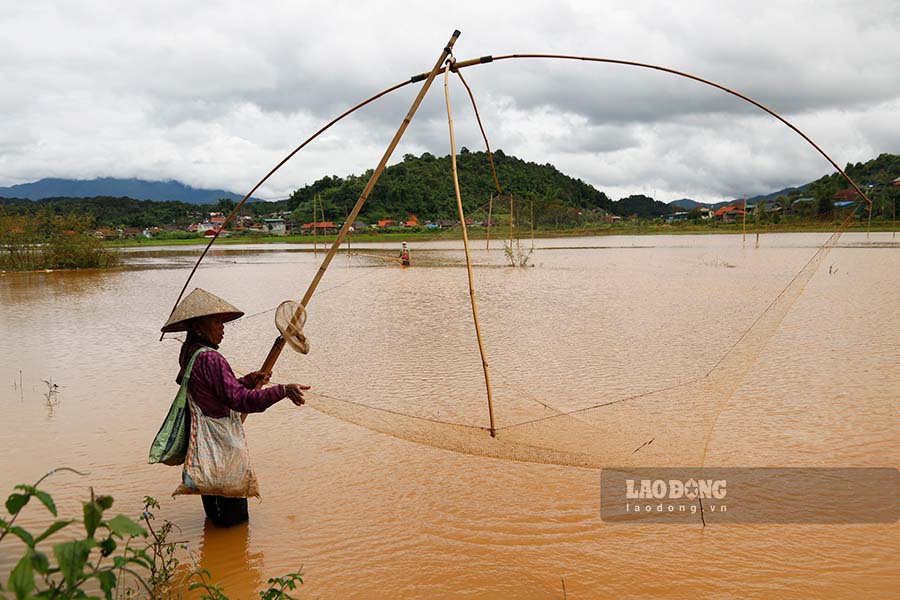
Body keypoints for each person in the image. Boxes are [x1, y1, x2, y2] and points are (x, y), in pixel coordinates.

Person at [161, 288, 309, 527]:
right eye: (217, 322)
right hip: (220, 445)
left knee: (215, 510)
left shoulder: (189, 352)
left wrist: (247, 381)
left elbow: (215, 390)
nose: (222, 328)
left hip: (204, 445)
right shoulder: (211, 359)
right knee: (233, 520)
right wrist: (282, 390)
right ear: (199, 327)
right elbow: (242, 401)